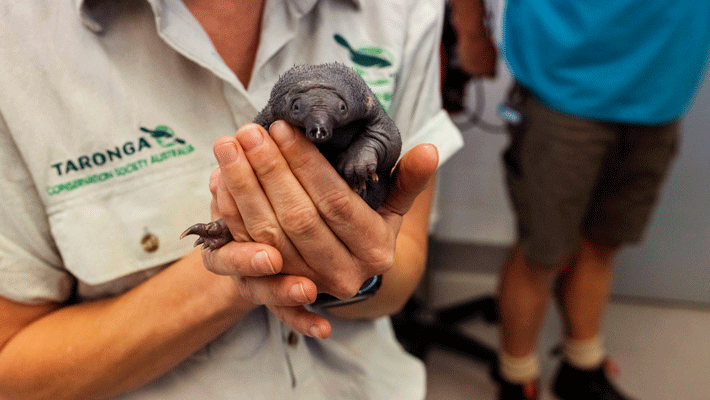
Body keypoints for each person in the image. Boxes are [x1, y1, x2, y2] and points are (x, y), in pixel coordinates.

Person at [0, 0, 463, 399]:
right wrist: (243, 270)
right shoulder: (17, 42)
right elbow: (11, 371)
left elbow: (400, 266)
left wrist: (355, 274)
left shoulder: (398, 9)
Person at [450, 0, 710, 399]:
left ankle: (582, 364)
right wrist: (471, 32)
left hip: (662, 91)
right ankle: (515, 375)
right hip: (563, 87)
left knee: (603, 242)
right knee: (542, 252)